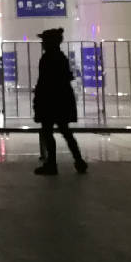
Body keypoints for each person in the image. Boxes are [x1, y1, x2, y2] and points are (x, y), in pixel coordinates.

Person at [33, 28, 87, 176]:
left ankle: (51, 164)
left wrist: (38, 99)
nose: (42, 43)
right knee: (66, 132)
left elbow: (44, 82)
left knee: (48, 132)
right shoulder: (61, 57)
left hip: (50, 101)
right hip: (61, 100)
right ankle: (79, 161)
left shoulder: (48, 58)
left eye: (44, 40)